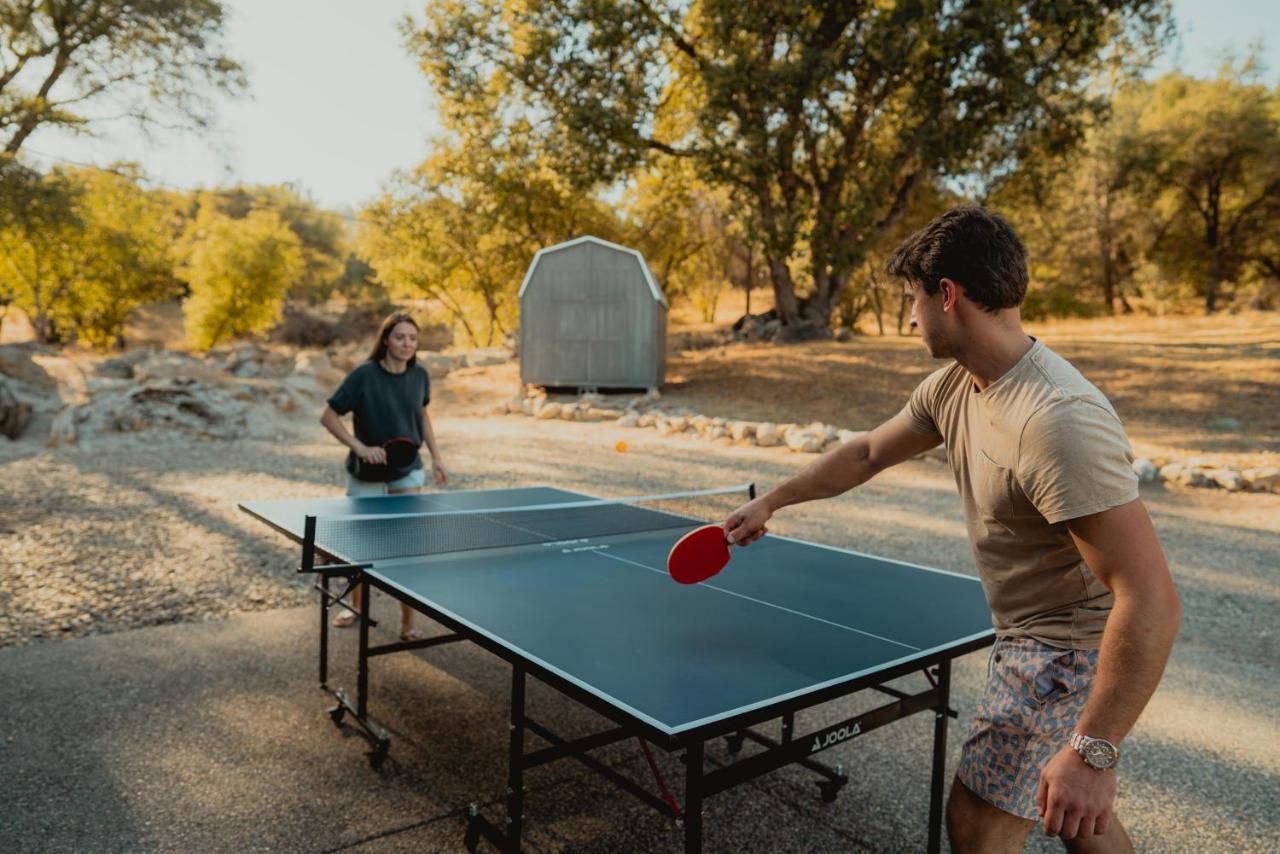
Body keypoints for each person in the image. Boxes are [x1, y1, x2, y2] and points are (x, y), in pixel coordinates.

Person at [723, 208, 1181, 853]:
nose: (910, 318)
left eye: (913, 299)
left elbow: (1150, 596)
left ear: (947, 294)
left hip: (1061, 653)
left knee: (978, 819)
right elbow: (867, 453)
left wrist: (1094, 751)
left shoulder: (1057, 420)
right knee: (1070, 810)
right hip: (1034, 636)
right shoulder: (957, 387)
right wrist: (773, 500)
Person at [320, 311, 448, 641]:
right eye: (400, 337)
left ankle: (408, 624)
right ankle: (357, 607)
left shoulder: (419, 375)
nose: (407, 343)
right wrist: (359, 447)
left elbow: (421, 415)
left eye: (413, 338)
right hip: (367, 473)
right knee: (362, 547)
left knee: (406, 549)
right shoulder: (364, 375)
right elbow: (329, 416)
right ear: (386, 340)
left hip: (408, 471)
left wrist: (436, 457)